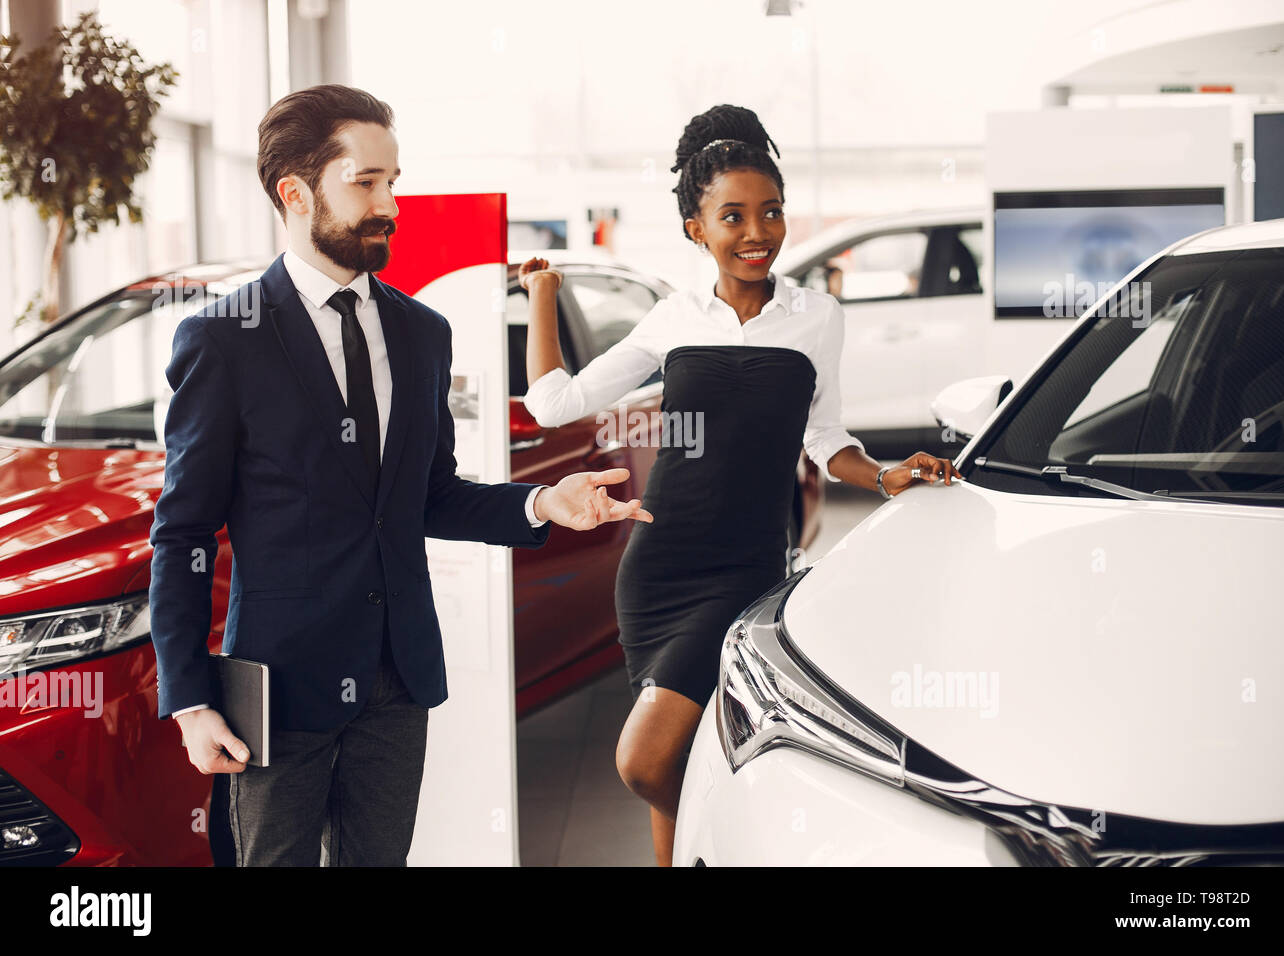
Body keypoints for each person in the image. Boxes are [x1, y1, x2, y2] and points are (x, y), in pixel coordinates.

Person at [148, 84, 651, 867]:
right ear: (295, 192)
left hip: (397, 676)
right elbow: (181, 533)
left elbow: (429, 496)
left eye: (394, 181)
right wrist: (187, 701)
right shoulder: (223, 341)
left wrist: (545, 500)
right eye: (366, 182)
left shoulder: (422, 334)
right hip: (280, 686)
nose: (390, 202)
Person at [520, 104, 960, 866]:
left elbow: (826, 439)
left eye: (772, 213)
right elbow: (554, 402)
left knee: (646, 762)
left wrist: (885, 475)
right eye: (733, 216)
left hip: (747, 570)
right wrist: (543, 297)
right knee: (676, 750)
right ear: (697, 228)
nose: (757, 233)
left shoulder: (816, 317)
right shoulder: (673, 319)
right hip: (657, 570)